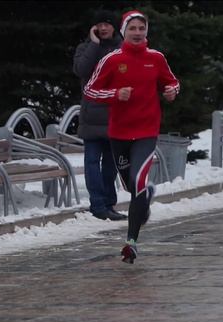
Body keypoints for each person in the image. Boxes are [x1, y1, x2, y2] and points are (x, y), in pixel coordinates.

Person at [83, 10, 179, 264]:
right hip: (119, 132)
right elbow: (90, 90)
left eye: (141, 28)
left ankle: (131, 243)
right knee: (130, 185)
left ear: (146, 31)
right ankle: (144, 198)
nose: (137, 33)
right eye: (133, 28)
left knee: (137, 180)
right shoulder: (112, 60)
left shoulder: (156, 58)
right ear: (124, 31)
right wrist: (115, 94)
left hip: (147, 130)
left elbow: (173, 82)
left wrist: (170, 91)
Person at [73, 10, 126, 222]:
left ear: (114, 27)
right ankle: (97, 204)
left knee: (112, 163)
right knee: (92, 161)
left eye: (107, 24)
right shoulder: (85, 48)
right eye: (99, 24)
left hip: (115, 112)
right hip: (92, 113)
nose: (103, 28)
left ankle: (108, 203)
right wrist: (94, 45)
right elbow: (81, 70)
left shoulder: (122, 49)